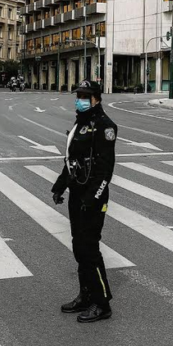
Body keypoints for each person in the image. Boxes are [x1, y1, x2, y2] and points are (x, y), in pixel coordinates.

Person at [50, 79, 118, 323]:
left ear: (96, 99)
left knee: (89, 249)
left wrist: (92, 198)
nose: (79, 99)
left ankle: (102, 302)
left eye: (84, 96)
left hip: (92, 197)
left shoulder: (104, 126)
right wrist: (59, 187)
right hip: (77, 194)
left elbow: (105, 170)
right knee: (79, 248)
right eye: (78, 95)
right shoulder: (80, 123)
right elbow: (72, 162)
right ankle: (86, 295)